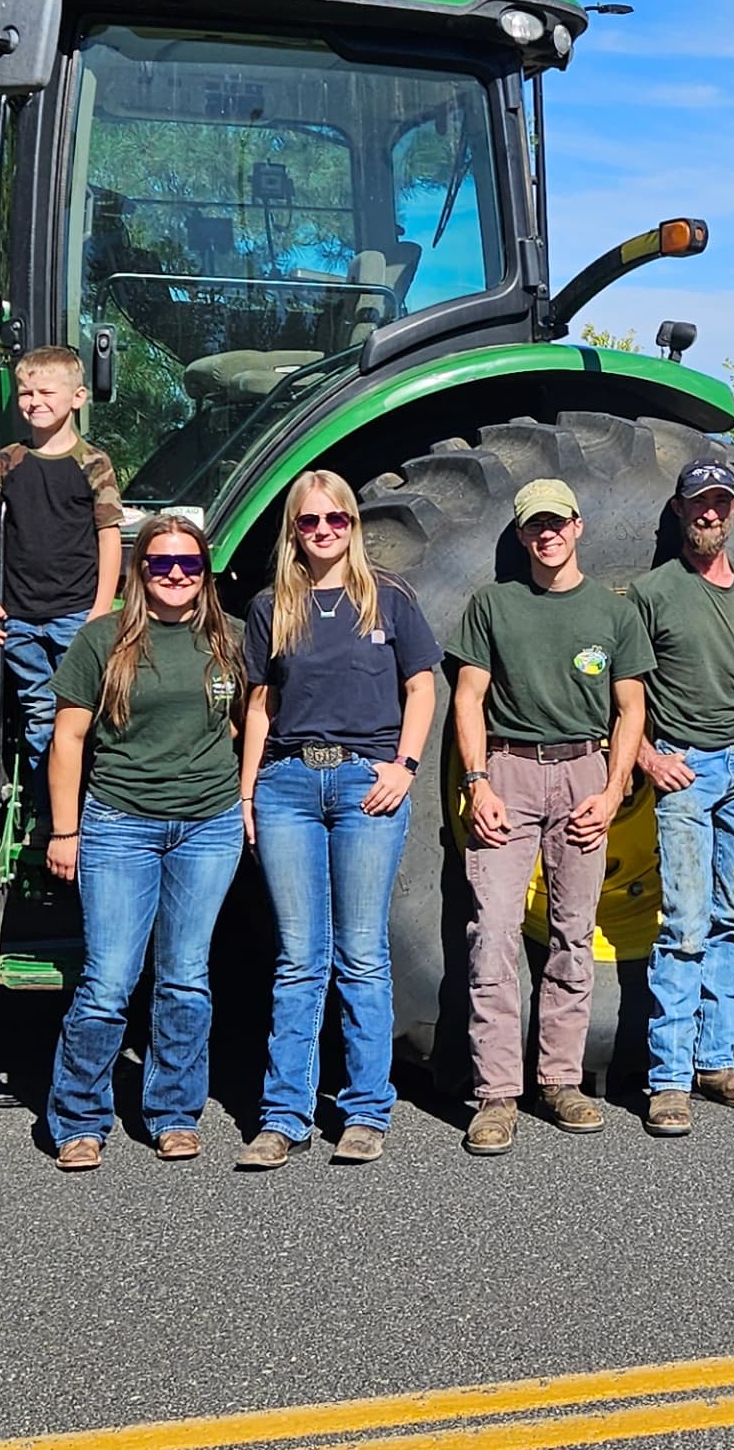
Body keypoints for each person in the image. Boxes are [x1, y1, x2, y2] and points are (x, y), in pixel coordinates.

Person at [241, 470, 442, 1168]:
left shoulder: (389, 599)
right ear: (292, 531)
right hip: (288, 787)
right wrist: (248, 794)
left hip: (366, 786)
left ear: (352, 526)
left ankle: (364, 1112)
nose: (323, 532)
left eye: (335, 520)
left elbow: (422, 686)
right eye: (309, 522)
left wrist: (404, 767)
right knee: (299, 959)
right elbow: (261, 707)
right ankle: (284, 1116)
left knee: (362, 955)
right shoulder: (274, 606)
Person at [447, 478, 653, 1153]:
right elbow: (468, 699)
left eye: (557, 523)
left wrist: (614, 787)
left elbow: (630, 709)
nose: (548, 535)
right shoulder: (493, 606)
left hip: (583, 778)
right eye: (535, 525)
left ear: (578, 525)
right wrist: (478, 783)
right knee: (495, 934)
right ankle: (497, 1095)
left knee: (573, 934)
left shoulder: (613, 614)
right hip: (507, 771)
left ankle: (560, 1082)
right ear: (523, 533)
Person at [36, 514, 246, 1170]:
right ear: (141, 571)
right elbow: (67, 739)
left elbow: (247, 724)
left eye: (189, 564)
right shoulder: (102, 641)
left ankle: (175, 1112)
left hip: (208, 827)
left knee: (186, 978)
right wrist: (64, 830)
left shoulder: (230, 639)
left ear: (205, 572)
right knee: (109, 980)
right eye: (161, 564)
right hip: (119, 825)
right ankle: (78, 1118)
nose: (177, 575)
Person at [628, 457, 734, 1136]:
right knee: (684, 923)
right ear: (679, 510)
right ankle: (668, 1081)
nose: (710, 513)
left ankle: (715, 1060)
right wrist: (646, 756)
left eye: (721, 503)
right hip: (686, 769)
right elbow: (628, 695)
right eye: (698, 503)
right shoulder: (654, 593)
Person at [0, 346, 122, 780]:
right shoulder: (7, 461)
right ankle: (46, 811)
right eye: (25, 392)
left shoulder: (93, 463)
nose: (34, 401)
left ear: (77, 397)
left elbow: (108, 537)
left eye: (45, 392)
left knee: (84, 712)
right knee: (39, 712)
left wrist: (100, 609)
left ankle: (86, 808)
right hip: (18, 615)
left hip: (76, 613)